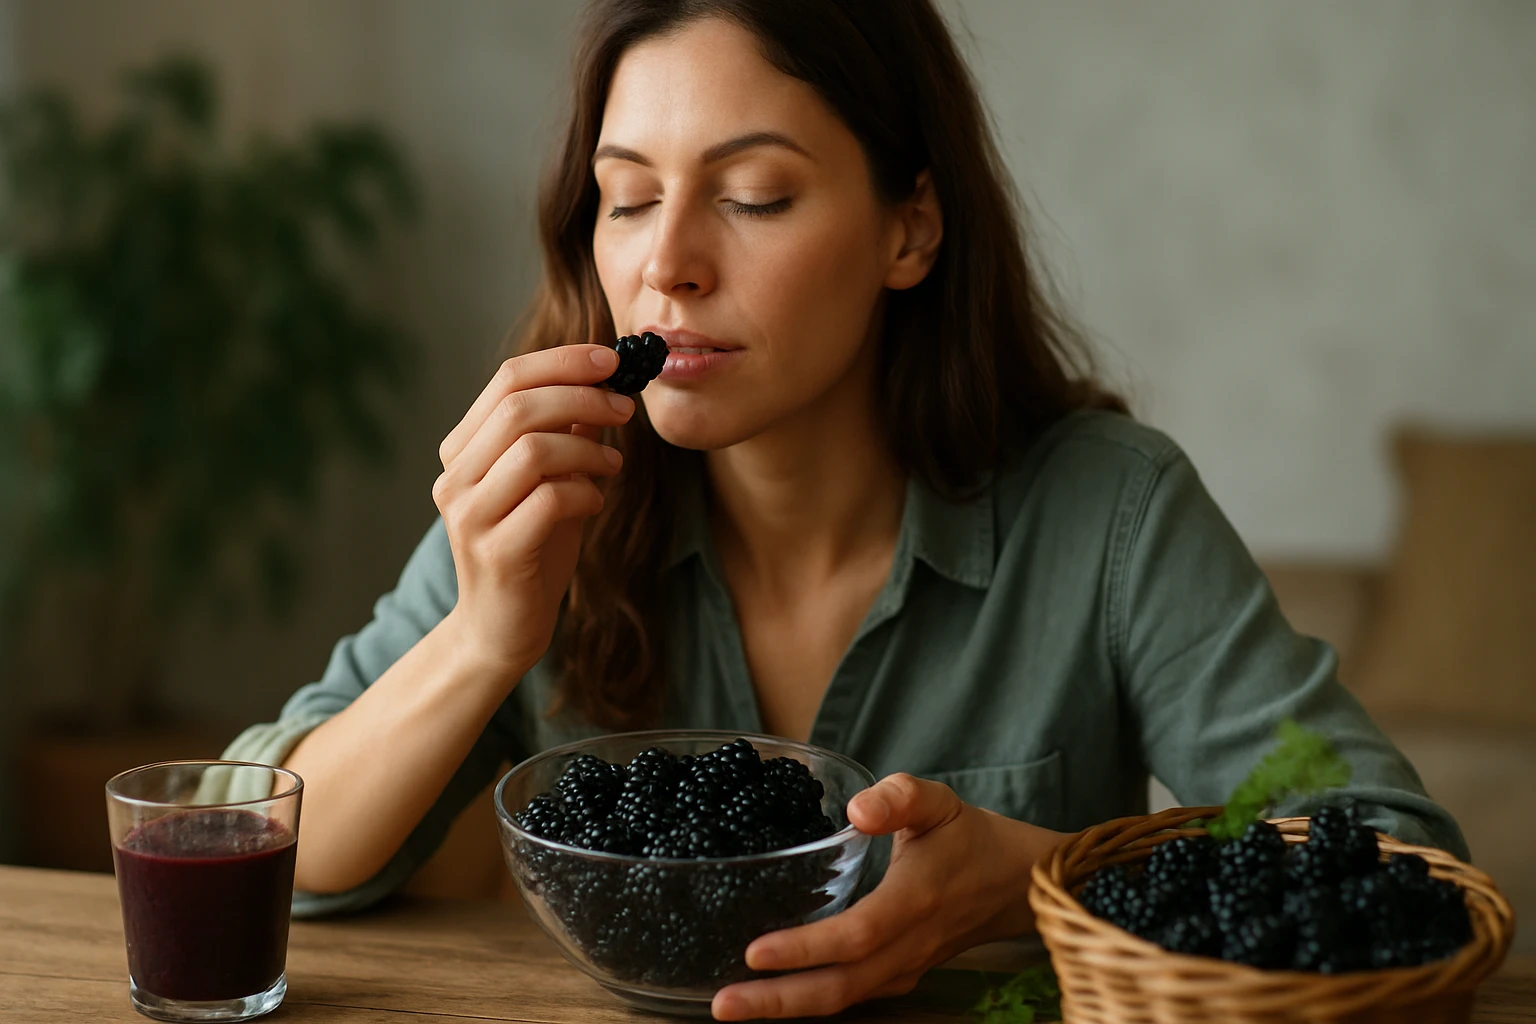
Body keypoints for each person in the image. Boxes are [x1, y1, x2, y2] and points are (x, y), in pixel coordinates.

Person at [223, 0, 1466, 1018]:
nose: (668, 264)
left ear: (909, 228)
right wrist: (484, 636)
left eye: (753, 193)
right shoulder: (549, 504)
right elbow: (252, 855)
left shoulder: (1108, 511)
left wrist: (1030, 876)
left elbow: (1406, 867)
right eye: (628, 196)